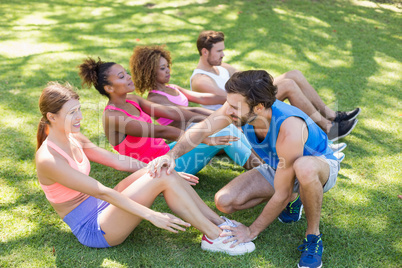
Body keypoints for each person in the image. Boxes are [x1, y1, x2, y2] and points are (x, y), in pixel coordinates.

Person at [35, 81, 255, 255]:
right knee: (163, 176)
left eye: (79, 110)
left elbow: (117, 161)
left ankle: (219, 223)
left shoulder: (73, 136)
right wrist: (152, 215)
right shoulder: (48, 159)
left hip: (102, 205)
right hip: (95, 227)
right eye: (72, 113)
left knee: (163, 169)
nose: (79, 117)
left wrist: (163, 167)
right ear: (51, 117)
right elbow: (101, 190)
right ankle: (214, 236)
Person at [147, 70, 340, 268]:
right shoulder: (239, 111)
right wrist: (171, 155)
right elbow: (202, 128)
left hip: (318, 165)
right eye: (228, 103)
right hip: (280, 166)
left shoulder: (289, 128)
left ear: (258, 107)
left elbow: (280, 193)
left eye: (234, 107)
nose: (228, 110)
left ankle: (313, 236)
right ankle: (296, 197)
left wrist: (251, 231)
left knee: (303, 168)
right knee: (224, 202)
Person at [78, 57, 257, 176]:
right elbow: (162, 130)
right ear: (109, 88)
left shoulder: (132, 100)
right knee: (220, 133)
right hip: (159, 168)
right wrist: (205, 138)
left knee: (224, 126)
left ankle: (261, 164)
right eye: (121, 76)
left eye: (126, 72)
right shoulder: (114, 116)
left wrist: (213, 117)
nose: (128, 77)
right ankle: (263, 170)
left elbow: (173, 112)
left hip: (168, 152)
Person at [190, 30, 360, 142]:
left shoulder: (221, 67)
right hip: (238, 116)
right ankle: (328, 128)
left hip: (248, 102)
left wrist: (261, 85)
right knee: (287, 84)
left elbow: (246, 78)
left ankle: (331, 116)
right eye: (219, 51)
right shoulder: (200, 79)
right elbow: (229, 100)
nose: (223, 54)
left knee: (293, 74)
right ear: (205, 52)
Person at [129, 45, 262, 170]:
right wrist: (220, 117)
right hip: (189, 137)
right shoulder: (155, 99)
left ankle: (263, 161)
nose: (168, 70)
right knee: (227, 128)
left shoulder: (173, 88)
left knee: (232, 127)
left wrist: (234, 98)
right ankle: (261, 169)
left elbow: (202, 98)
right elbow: (189, 112)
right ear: (150, 72)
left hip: (199, 127)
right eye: (162, 68)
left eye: (167, 66)